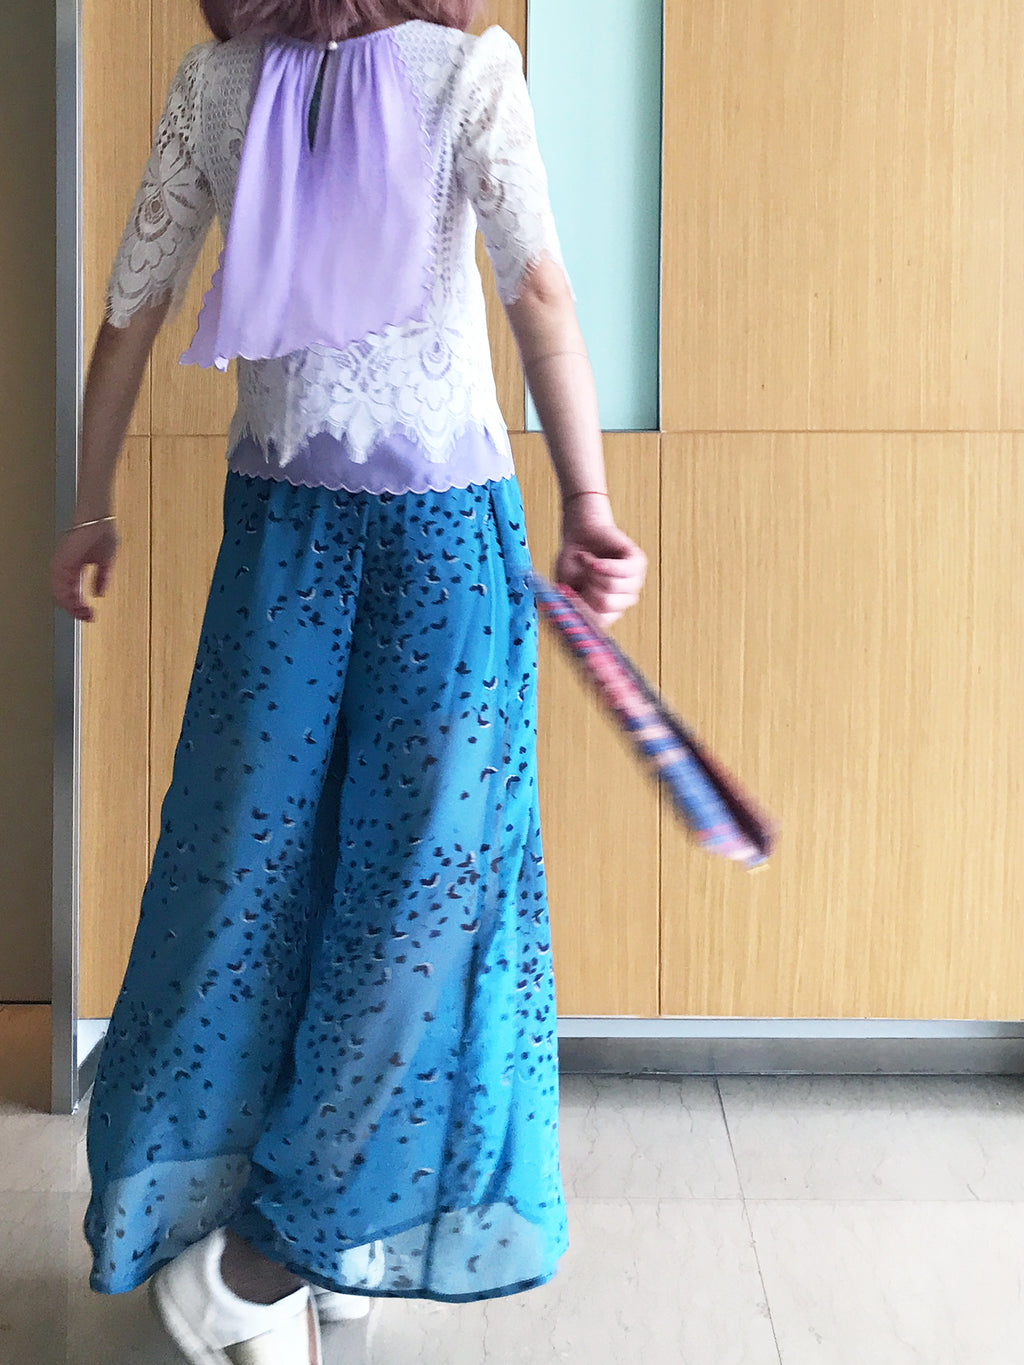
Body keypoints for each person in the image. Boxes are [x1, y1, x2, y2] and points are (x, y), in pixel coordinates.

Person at [51, 1, 647, 1360]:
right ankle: (271, 1262)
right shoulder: (472, 73)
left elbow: (130, 315)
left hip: (282, 544)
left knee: (256, 880)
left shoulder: (214, 86)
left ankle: (312, 1237)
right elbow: (539, 295)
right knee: (424, 900)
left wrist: (88, 507)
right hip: (445, 545)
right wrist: (589, 500)